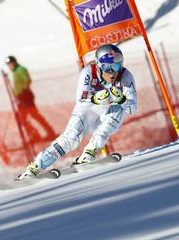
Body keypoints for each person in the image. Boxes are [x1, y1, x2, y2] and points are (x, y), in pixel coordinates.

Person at [17, 44, 137, 180]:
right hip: (87, 113)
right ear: (99, 65)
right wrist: (95, 98)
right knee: (70, 139)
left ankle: (89, 153)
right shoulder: (88, 72)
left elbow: (132, 108)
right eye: (108, 68)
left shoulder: (125, 76)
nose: (113, 73)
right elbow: (80, 100)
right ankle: (34, 169)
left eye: (117, 67)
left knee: (119, 110)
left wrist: (121, 99)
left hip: (106, 116)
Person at [5, 55, 55, 142]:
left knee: (30, 116)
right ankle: (35, 135)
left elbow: (27, 80)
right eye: (8, 64)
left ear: (14, 62)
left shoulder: (21, 70)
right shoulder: (16, 71)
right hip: (21, 97)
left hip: (25, 97)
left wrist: (23, 91)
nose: (10, 66)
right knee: (24, 118)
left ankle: (47, 133)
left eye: (11, 63)